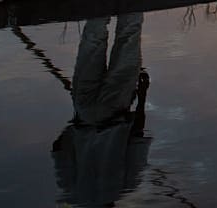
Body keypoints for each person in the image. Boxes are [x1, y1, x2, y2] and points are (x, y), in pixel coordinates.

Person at [52, 13, 151, 206]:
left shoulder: (125, 186)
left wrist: (142, 95)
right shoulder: (70, 191)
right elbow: (58, 148)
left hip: (115, 108)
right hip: (84, 112)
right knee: (92, 38)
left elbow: (138, 137)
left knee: (129, 36)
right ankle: (100, 3)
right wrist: (78, 131)